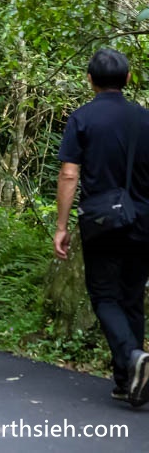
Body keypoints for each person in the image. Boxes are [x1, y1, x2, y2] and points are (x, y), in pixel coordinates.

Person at [54, 48, 149, 407]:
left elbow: (69, 173)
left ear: (89, 80)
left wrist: (61, 226)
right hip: (144, 221)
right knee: (132, 298)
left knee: (105, 296)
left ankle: (131, 358)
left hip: (102, 221)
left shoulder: (82, 118)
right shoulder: (145, 118)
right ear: (127, 79)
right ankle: (127, 383)